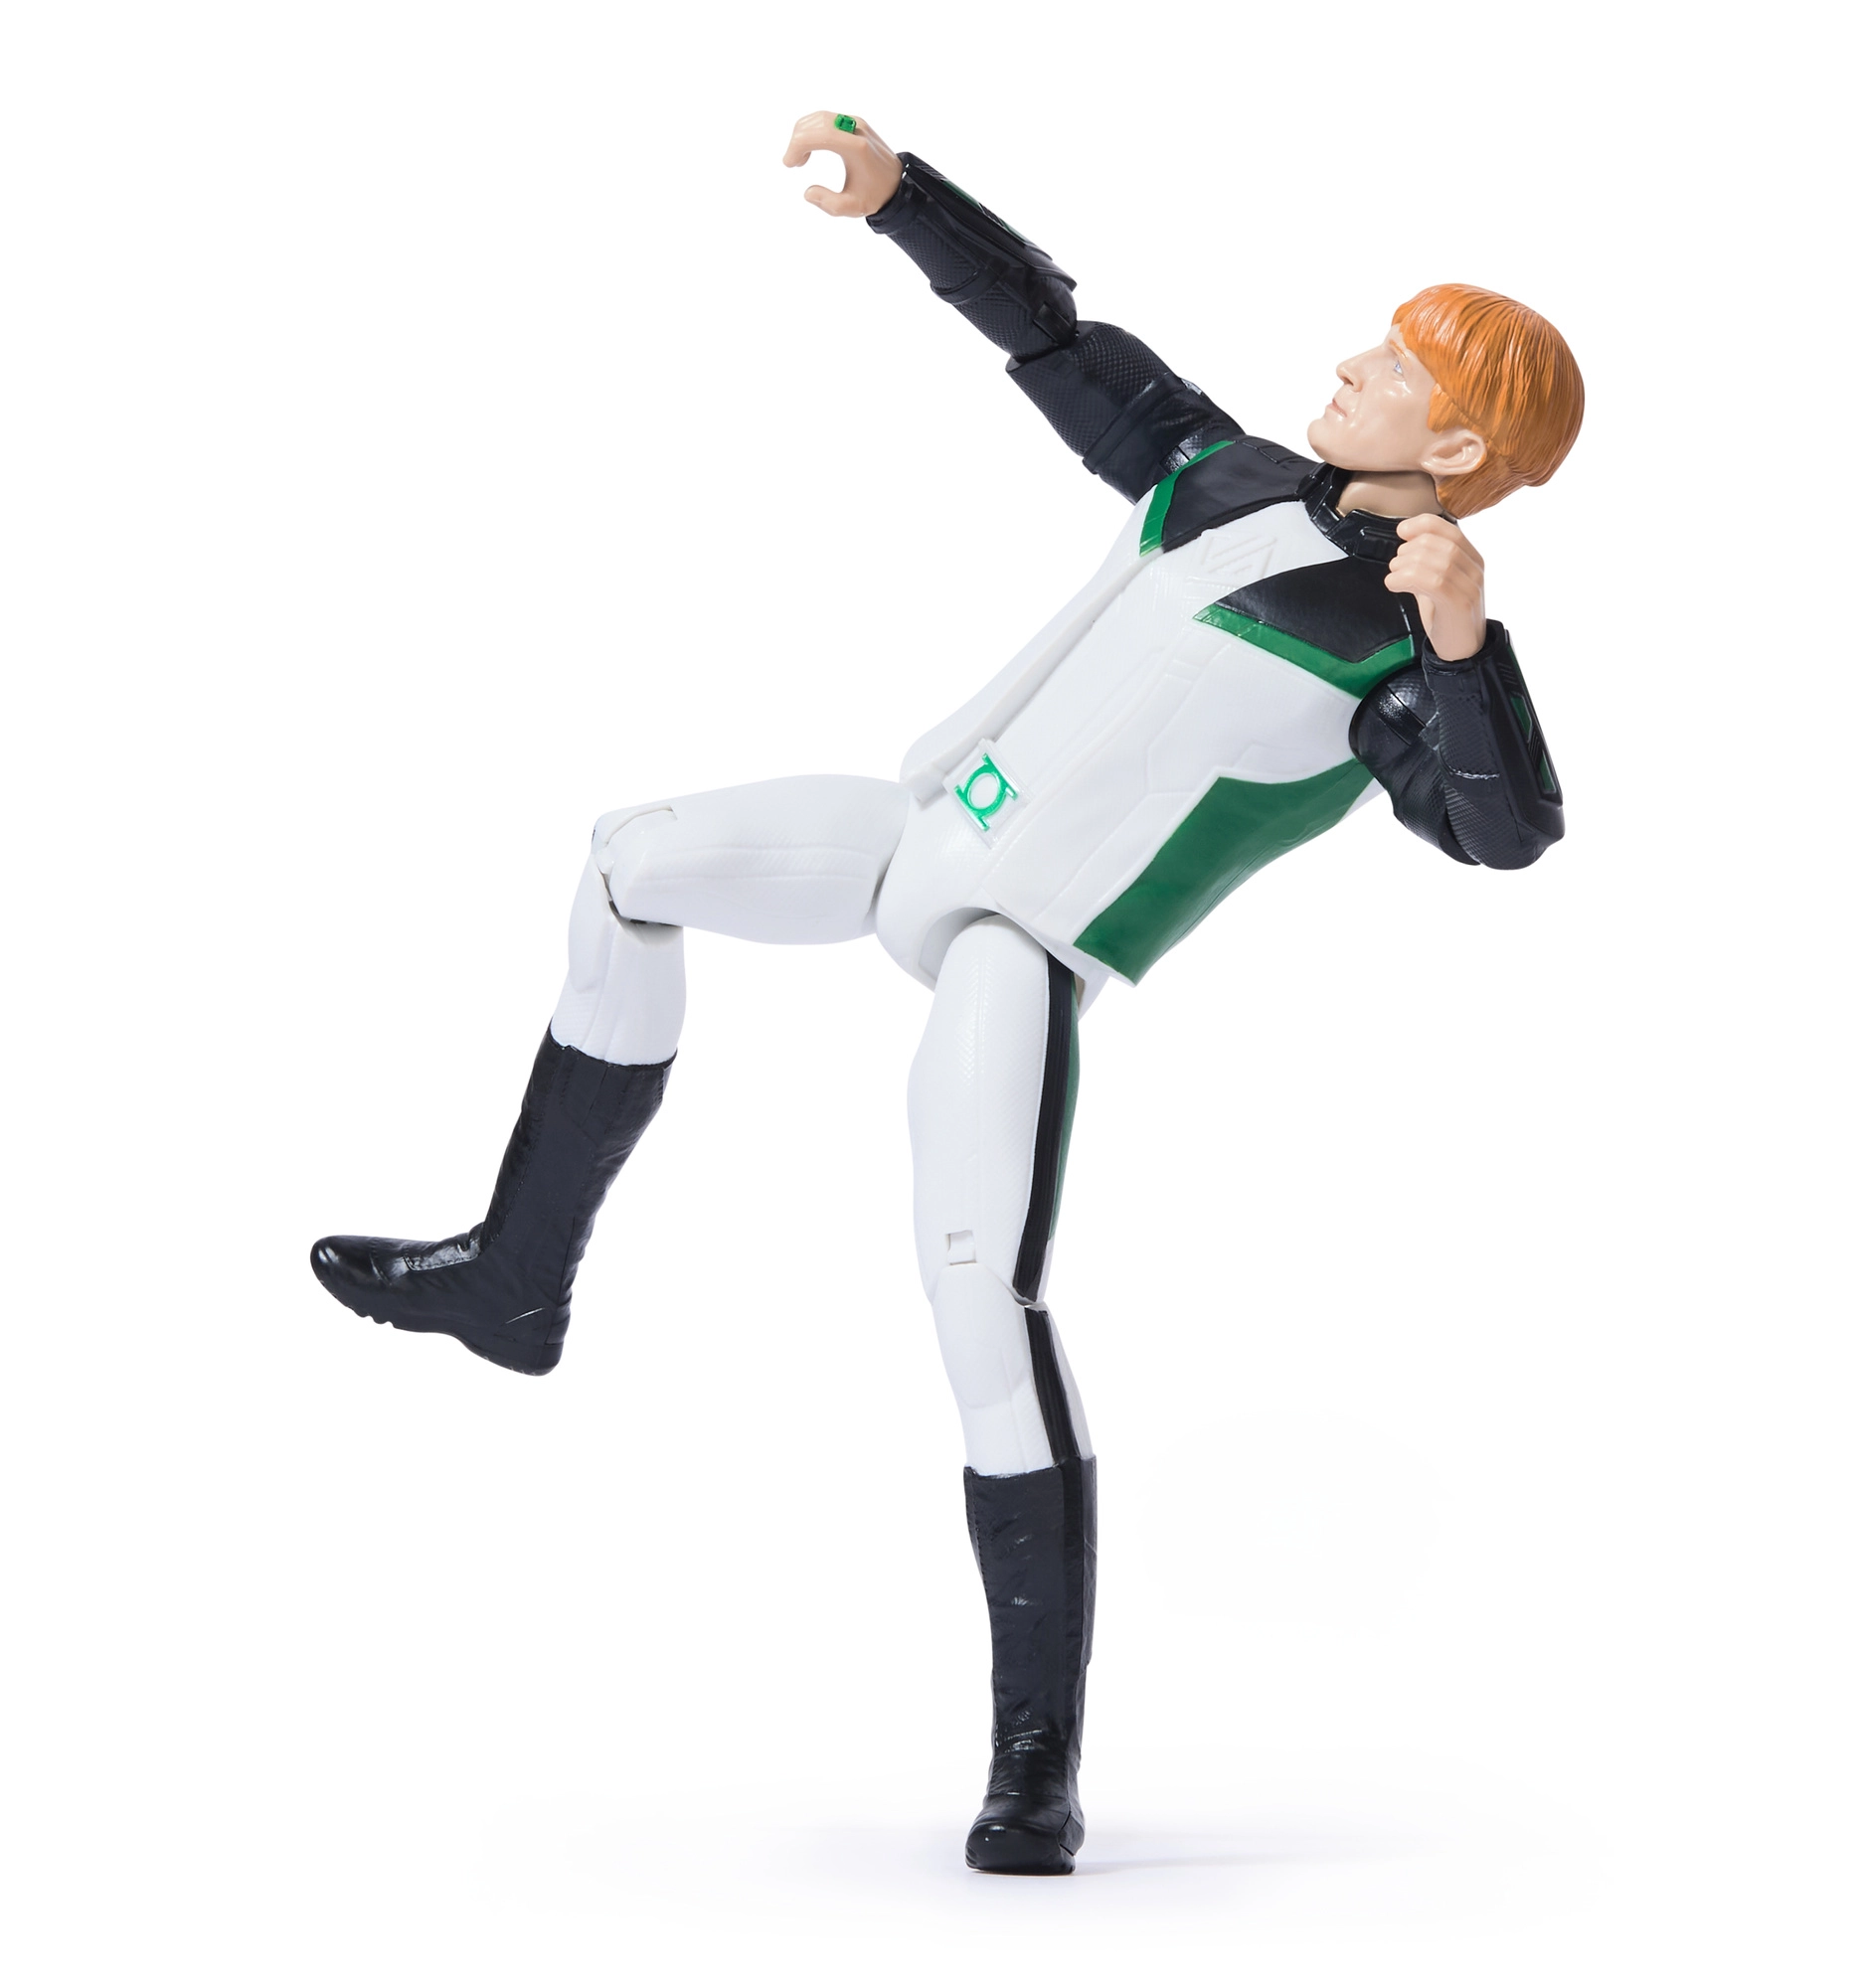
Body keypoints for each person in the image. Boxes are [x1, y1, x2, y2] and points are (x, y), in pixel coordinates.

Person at [310, 109, 1584, 1876]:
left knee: (987, 1310)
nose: (1351, 367)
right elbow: (1053, 335)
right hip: (918, 832)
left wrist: (1463, 646)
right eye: (1371, 344)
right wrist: (905, 197)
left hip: (1024, 946)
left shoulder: (1398, 644)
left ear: (1453, 442)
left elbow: (1502, 834)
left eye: (1393, 368)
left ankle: (1035, 1758)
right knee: (627, 862)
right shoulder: (1216, 470)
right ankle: (518, 1277)